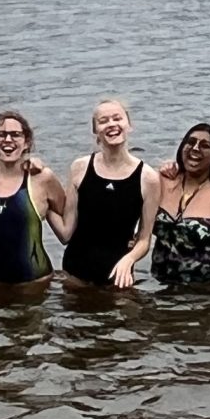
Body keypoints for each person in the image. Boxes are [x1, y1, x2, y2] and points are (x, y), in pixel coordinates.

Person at [60, 98, 159, 289]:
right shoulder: (79, 167)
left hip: (118, 278)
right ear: (95, 130)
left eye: (117, 118)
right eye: (103, 121)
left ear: (129, 124)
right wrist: (42, 197)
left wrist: (129, 259)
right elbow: (66, 232)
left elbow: (144, 240)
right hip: (74, 274)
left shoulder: (148, 178)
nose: (111, 124)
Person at [0, 109, 74, 286]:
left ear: (27, 142)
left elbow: (67, 224)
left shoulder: (42, 179)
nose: (8, 140)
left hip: (34, 283)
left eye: (16, 135)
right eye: (1, 135)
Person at [153, 123, 210, 287]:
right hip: (161, 286)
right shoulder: (162, 181)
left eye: (205, 145)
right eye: (191, 142)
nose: (195, 148)